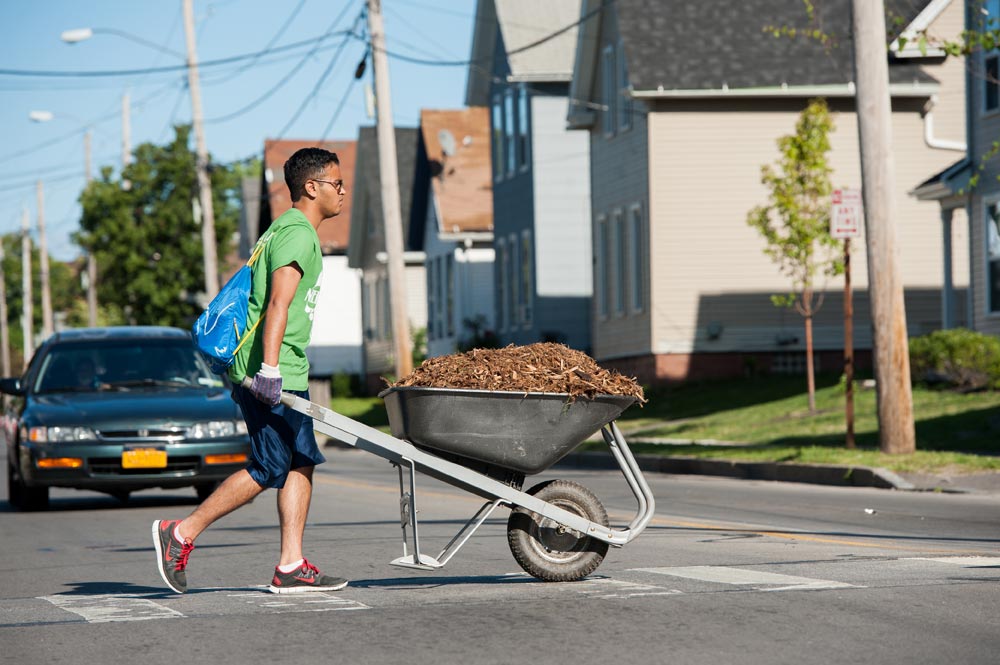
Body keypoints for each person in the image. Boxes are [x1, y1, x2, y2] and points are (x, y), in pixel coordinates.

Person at [153, 147, 347, 594]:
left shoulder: (285, 229)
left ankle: (291, 564)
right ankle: (179, 533)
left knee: (300, 461)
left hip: (281, 372)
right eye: (336, 184)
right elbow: (277, 303)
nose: (342, 192)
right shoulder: (297, 233)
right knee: (268, 466)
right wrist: (271, 370)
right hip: (269, 375)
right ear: (311, 187)